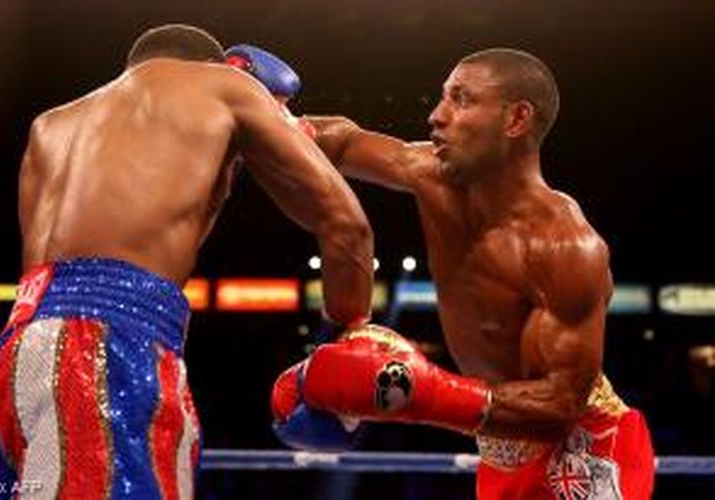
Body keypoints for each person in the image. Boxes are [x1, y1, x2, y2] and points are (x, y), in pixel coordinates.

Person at [0, 24, 373, 499]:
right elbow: (347, 226)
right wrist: (343, 344)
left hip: (13, 355)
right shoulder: (226, 86)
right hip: (106, 346)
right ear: (209, 68)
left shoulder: (51, 124)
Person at [268, 48, 655, 499]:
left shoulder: (565, 247)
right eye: (441, 98)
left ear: (516, 120)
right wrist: (264, 115)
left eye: (462, 100)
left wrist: (424, 393)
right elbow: (342, 141)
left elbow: (561, 406)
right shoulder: (429, 175)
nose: (436, 116)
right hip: (499, 442)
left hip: (583, 446)